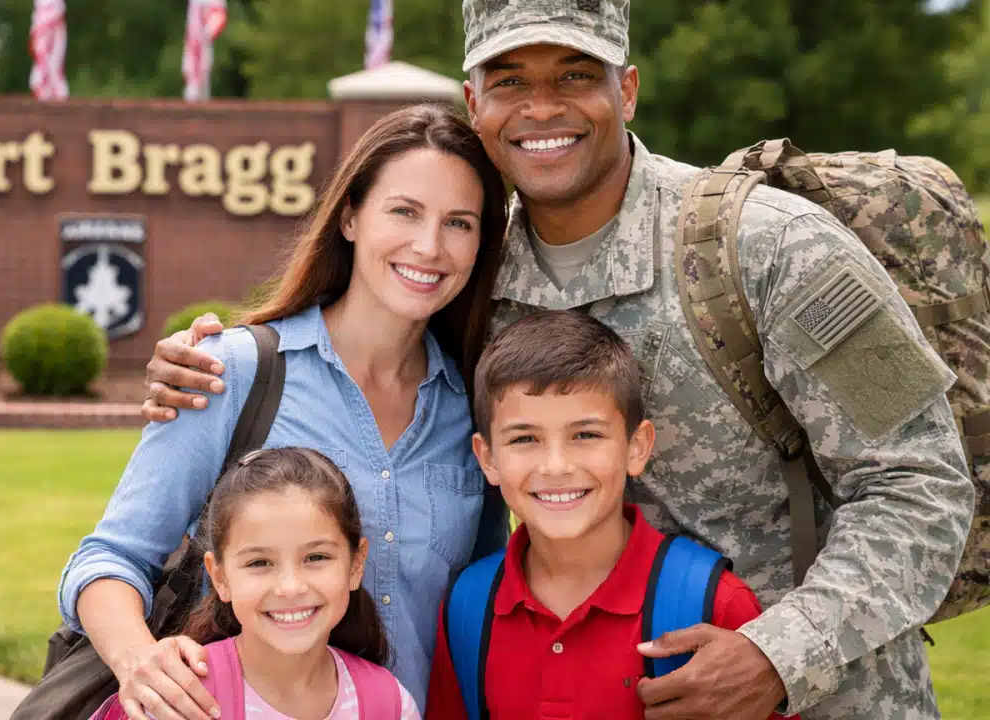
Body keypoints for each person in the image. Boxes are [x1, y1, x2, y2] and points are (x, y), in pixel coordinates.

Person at [138, 2, 976, 718]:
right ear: (474, 103)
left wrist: (776, 657)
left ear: (628, 89)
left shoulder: (774, 249)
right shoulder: (469, 278)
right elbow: (361, 353)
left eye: (576, 74)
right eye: (510, 81)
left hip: (823, 698)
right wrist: (221, 354)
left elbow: (921, 485)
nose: (543, 107)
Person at [57, 103, 509, 720]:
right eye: (404, 211)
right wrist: (141, 661)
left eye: (459, 223)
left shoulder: (475, 409)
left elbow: (488, 601)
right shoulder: (233, 372)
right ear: (350, 216)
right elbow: (108, 558)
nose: (429, 246)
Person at [423, 309, 793, 719]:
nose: (556, 466)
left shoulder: (713, 604)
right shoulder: (469, 605)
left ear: (637, 447)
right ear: (487, 458)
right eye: (525, 438)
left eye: (586, 435)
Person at [89, 447, 422, 720]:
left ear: (355, 564)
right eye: (260, 563)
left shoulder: (389, 704)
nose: (290, 587)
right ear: (219, 577)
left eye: (316, 558)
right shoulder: (177, 699)